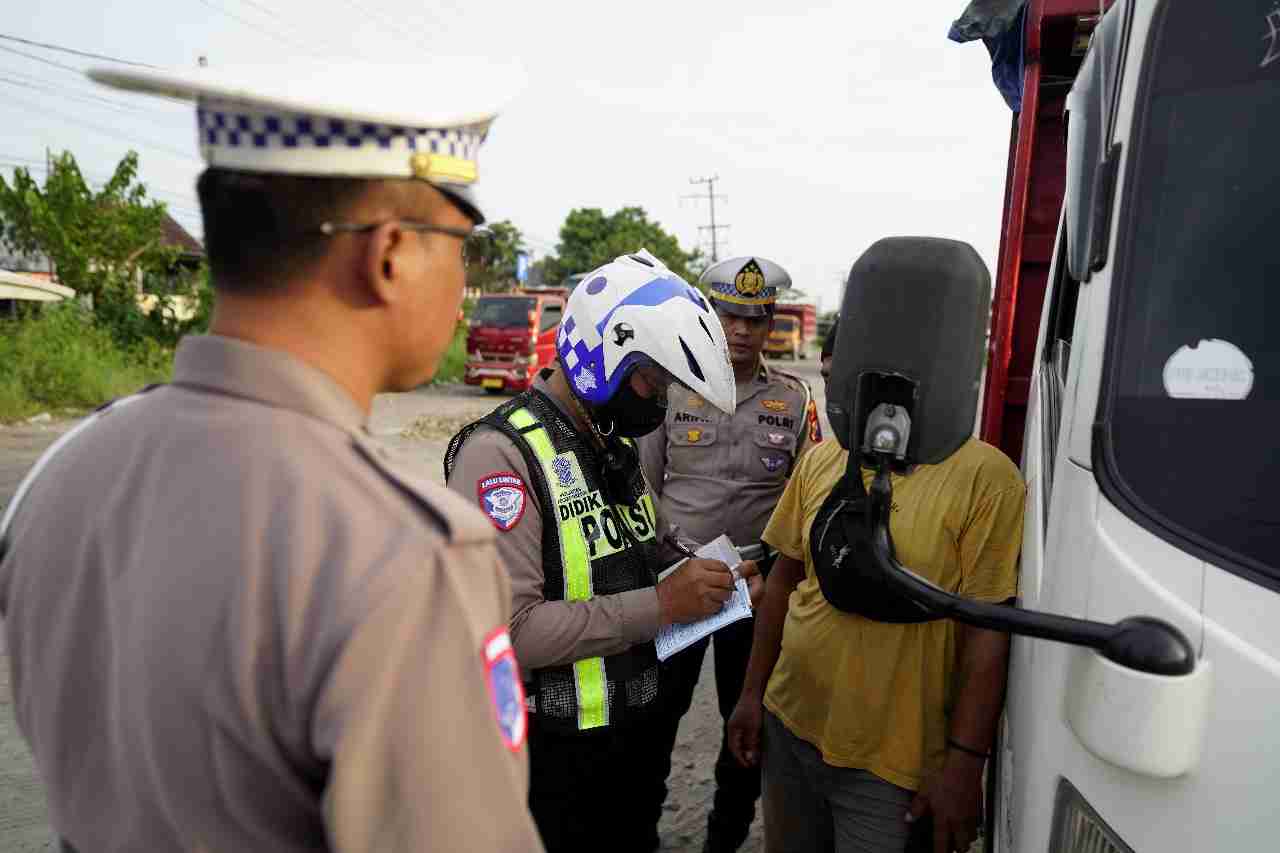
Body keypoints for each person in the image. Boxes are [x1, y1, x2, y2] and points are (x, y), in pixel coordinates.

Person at [0, 61, 544, 852]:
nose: (465, 282)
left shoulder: (63, 473)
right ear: (389, 253)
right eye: (461, 243)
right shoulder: (405, 552)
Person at [444, 249, 765, 853]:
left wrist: (720, 579)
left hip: (633, 745)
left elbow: (657, 548)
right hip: (553, 760)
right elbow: (507, 631)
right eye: (652, 380)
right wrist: (664, 605)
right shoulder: (501, 456)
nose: (659, 399)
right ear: (603, 354)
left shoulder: (612, 450)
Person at [727, 237, 1025, 853]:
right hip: (792, 730)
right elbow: (783, 581)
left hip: (895, 764)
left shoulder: (987, 479)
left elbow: (987, 632)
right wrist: (752, 696)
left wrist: (965, 764)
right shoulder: (824, 455)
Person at [637, 255, 821, 853]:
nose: (743, 330)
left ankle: (723, 839)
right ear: (711, 317)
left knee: (745, 725)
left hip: (755, 587)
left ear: (772, 325)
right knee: (655, 720)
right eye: (730, 316)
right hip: (680, 578)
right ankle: (640, 833)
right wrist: (668, 566)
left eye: (756, 319)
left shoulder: (792, 401)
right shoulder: (671, 390)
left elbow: (805, 492)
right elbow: (643, 488)